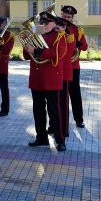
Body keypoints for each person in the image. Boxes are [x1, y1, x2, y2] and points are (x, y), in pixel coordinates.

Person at [23, 12, 68, 151]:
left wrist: (36, 51)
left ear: (54, 23)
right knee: (38, 110)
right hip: (37, 79)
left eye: (46, 23)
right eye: (41, 23)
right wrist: (26, 46)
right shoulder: (36, 34)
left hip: (51, 79)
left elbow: (57, 54)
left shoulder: (59, 36)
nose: (43, 25)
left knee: (54, 111)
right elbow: (26, 56)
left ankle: (60, 140)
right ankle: (41, 137)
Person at [61, 5, 88, 128]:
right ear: (61, 15)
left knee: (75, 93)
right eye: (65, 16)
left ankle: (79, 119)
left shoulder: (77, 30)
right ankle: (61, 121)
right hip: (59, 65)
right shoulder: (56, 27)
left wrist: (77, 44)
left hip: (73, 66)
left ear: (72, 18)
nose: (67, 18)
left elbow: (85, 47)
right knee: (60, 95)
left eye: (69, 17)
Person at [48, 16, 75, 139]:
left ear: (66, 27)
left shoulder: (69, 38)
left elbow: (67, 53)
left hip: (64, 74)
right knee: (52, 104)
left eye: (62, 26)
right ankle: (52, 126)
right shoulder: (52, 35)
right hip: (53, 73)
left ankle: (64, 130)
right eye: (57, 25)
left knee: (63, 104)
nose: (58, 27)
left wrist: (63, 33)